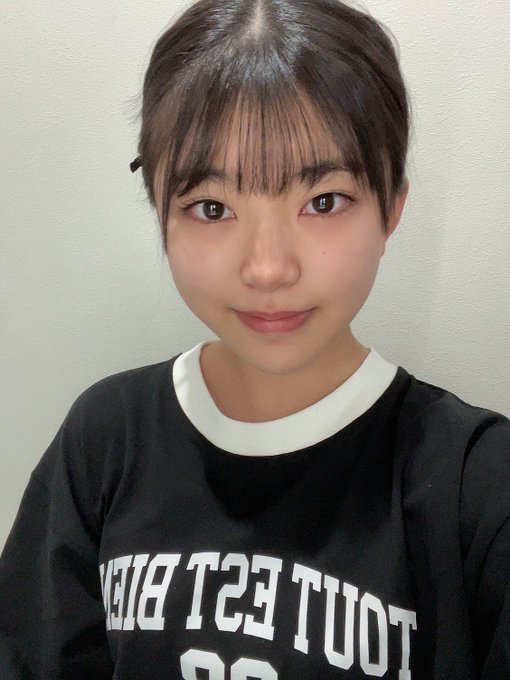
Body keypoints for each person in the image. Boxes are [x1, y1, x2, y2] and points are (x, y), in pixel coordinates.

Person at [1, 0, 509, 678]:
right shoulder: (105, 440)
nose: (268, 269)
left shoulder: (479, 484)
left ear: (392, 207)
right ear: (159, 209)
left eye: (322, 201)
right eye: (212, 208)